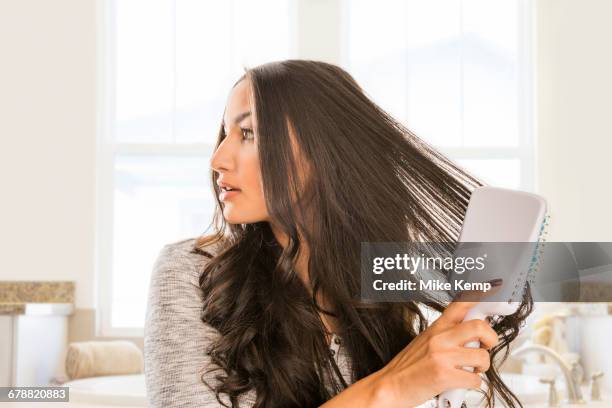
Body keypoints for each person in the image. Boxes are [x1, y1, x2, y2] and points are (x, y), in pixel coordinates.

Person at [144, 59, 532, 407]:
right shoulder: (192, 272)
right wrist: (393, 387)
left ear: (323, 153)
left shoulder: (382, 285)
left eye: (249, 134)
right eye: (226, 133)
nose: (217, 159)